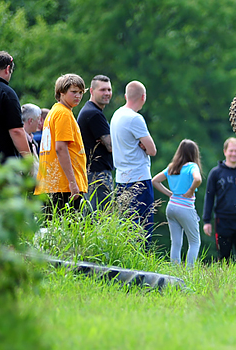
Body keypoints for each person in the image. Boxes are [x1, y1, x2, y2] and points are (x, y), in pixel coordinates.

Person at [110, 81, 157, 246]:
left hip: (121, 178)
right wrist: (143, 145)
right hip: (139, 178)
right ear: (143, 97)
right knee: (143, 227)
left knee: (126, 225)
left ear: (125, 96)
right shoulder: (135, 119)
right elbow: (152, 150)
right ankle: (142, 264)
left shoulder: (116, 115)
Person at [34, 74, 88, 217]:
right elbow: (61, 148)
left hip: (52, 182)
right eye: (74, 92)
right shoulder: (63, 113)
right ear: (61, 92)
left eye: (81, 92)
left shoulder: (55, 111)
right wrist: (72, 182)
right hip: (63, 184)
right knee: (70, 231)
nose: (78, 96)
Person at [152, 139, 203, 267]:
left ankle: (175, 271)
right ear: (194, 154)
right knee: (194, 242)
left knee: (175, 243)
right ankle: (189, 272)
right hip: (185, 207)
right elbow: (198, 179)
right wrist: (191, 190)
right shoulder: (192, 166)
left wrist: (170, 193)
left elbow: (155, 181)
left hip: (172, 206)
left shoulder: (172, 167)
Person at [78, 75, 114, 210]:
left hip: (92, 172)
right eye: (103, 90)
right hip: (97, 174)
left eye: (109, 90)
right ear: (92, 91)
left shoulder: (92, 111)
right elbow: (111, 147)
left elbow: (108, 142)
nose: (107, 93)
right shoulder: (94, 114)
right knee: (103, 216)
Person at [21, 103, 42, 176]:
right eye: (38, 119)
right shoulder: (20, 141)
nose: (40, 123)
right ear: (30, 121)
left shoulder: (31, 140)